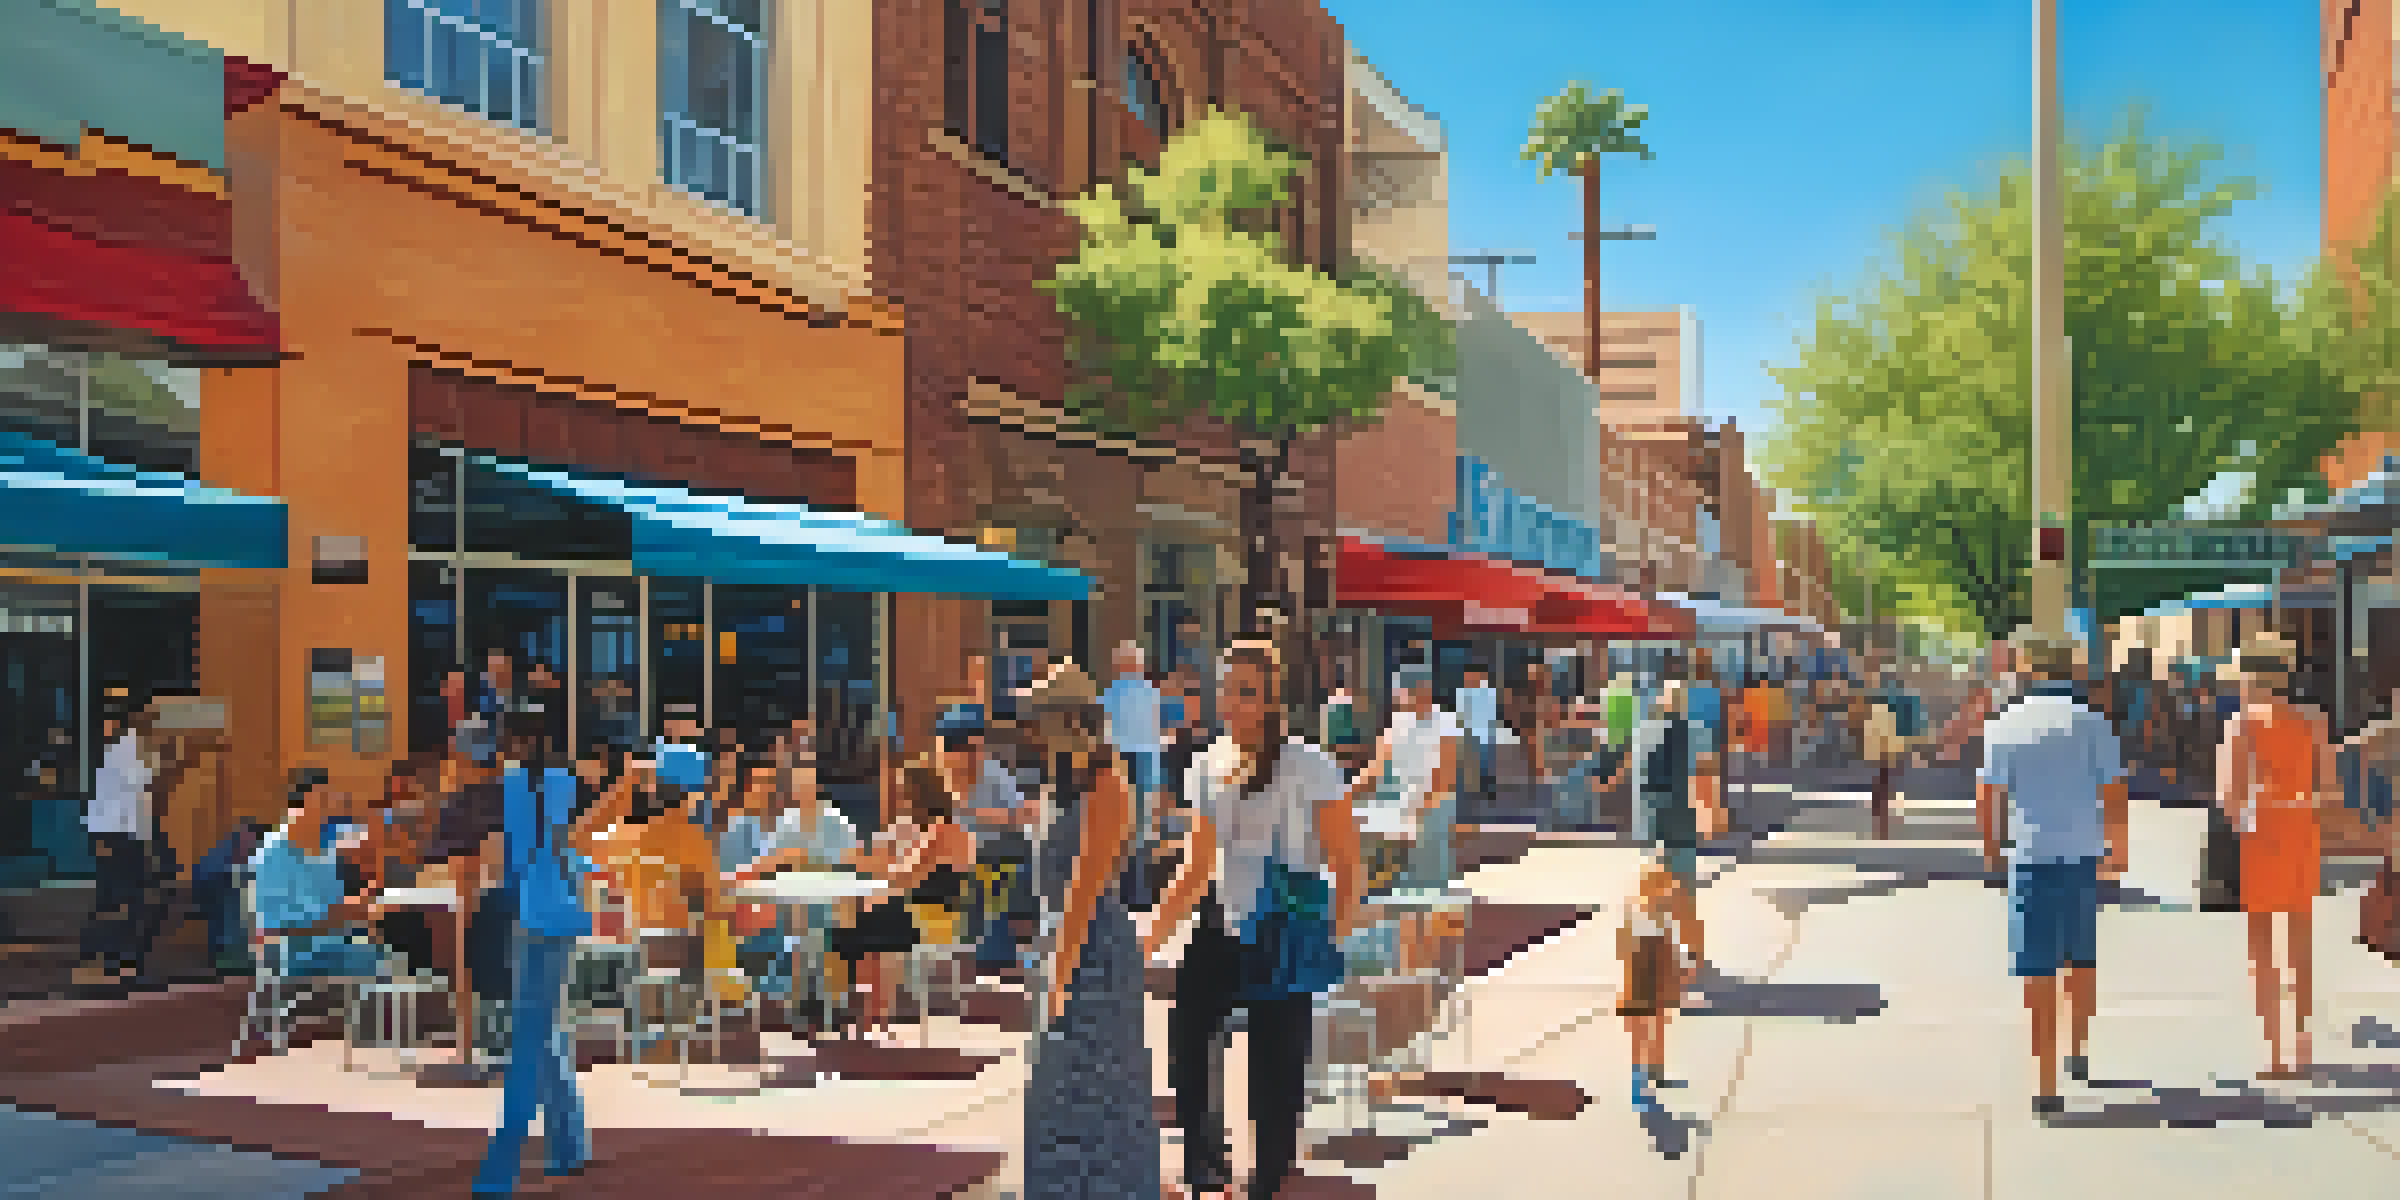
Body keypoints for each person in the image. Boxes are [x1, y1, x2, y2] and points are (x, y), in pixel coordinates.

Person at [1146, 641, 1361, 1200]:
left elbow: (1346, 862)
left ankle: (1267, 1179)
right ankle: (1205, 1168)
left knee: (1276, 1064)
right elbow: (1196, 866)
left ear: (1269, 700)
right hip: (1220, 918)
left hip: (1285, 922)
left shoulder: (1310, 765)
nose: (1233, 702)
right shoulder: (1207, 764)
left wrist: (1333, 940)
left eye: (1247, 691)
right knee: (1189, 1041)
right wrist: (1150, 938)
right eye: (1228, 688)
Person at [1017, 662, 1159, 1200]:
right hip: (1067, 942)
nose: (1031, 732)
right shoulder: (1065, 783)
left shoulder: (1108, 784)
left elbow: (1084, 891)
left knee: (1095, 1085)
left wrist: (1058, 972)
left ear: (1071, 722)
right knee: (1059, 1089)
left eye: (1039, 720)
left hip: (1091, 947)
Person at [1976, 633, 2129, 1116]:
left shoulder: (2004, 724)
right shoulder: (2093, 724)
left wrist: (1991, 852)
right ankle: (2078, 1050)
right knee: (2081, 956)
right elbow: (2115, 791)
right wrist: (2117, 849)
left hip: (2032, 855)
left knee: (2037, 966)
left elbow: (1989, 796)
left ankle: (2046, 1083)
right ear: (2068, 670)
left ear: (2026, 670)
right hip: (2082, 854)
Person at [472, 714, 595, 1196]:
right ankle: (567, 1144)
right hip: (558, 913)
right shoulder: (562, 784)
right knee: (543, 1029)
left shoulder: (513, 788)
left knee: (534, 1031)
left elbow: (506, 858)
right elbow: (568, 849)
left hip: (529, 915)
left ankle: (528, 1156)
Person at [2215, 633, 2335, 1080]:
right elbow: (2328, 786)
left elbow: (2228, 796)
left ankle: (2276, 1053)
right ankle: (2303, 1044)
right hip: (2302, 827)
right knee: (2300, 940)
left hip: (2261, 830)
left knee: (2262, 945)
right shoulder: (2312, 720)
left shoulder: (2242, 724)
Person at [827, 748, 976, 1040]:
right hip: (946, 917)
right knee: (869, 918)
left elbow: (907, 877)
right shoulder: (955, 829)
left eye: (903, 793)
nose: (901, 801)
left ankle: (856, 1013)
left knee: (852, 926)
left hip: (927, 918)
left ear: (918, 795)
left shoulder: (937, 832)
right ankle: (873, 1017)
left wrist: (872, 880)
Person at [246, 768, 389, 986]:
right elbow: (278, 928)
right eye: (323, 800)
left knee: (388, 963)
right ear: (301, 804)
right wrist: (346, 914)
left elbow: (334, 908)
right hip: (291, 959)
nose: (330, 808)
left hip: (330, 949)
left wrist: (361, 906)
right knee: (379, 974)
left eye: (329, 800)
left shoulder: (325, 847)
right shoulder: (273, 852)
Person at [1619, 856, 1702, 1115]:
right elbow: (1634, 946)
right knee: (1641, 1030)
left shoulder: (1662, 913)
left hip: (1657, 975)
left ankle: (1655, 1071)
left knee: (1658, 1024)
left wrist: (1685, 965)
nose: (1672, 890)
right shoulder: (1643, 913)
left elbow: (1675, 943)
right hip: (1642, 977)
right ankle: (1638, 1082)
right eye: (1666, 885)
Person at [1101, 642, 1166, 908]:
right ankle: (1140, 895)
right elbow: (1155, 736)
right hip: (1143, 762)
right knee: (1140, 830)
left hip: (1121, 762)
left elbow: (1103, 733)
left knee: (1119, 830)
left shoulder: (1109, 694)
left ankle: (1120, 894)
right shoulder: (1151, 694)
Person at [1454, 665, 1501, 816]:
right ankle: (1466, 804)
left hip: (1485, 739)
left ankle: (1489, 802)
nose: (1471, 678)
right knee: (1466, 772)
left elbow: (1490, 718)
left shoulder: (1488, 693)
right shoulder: (1462, 693)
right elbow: (1461, 718)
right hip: (1468, 739)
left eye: (1475, 675)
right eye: (1469, 676)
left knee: (1486, 771)